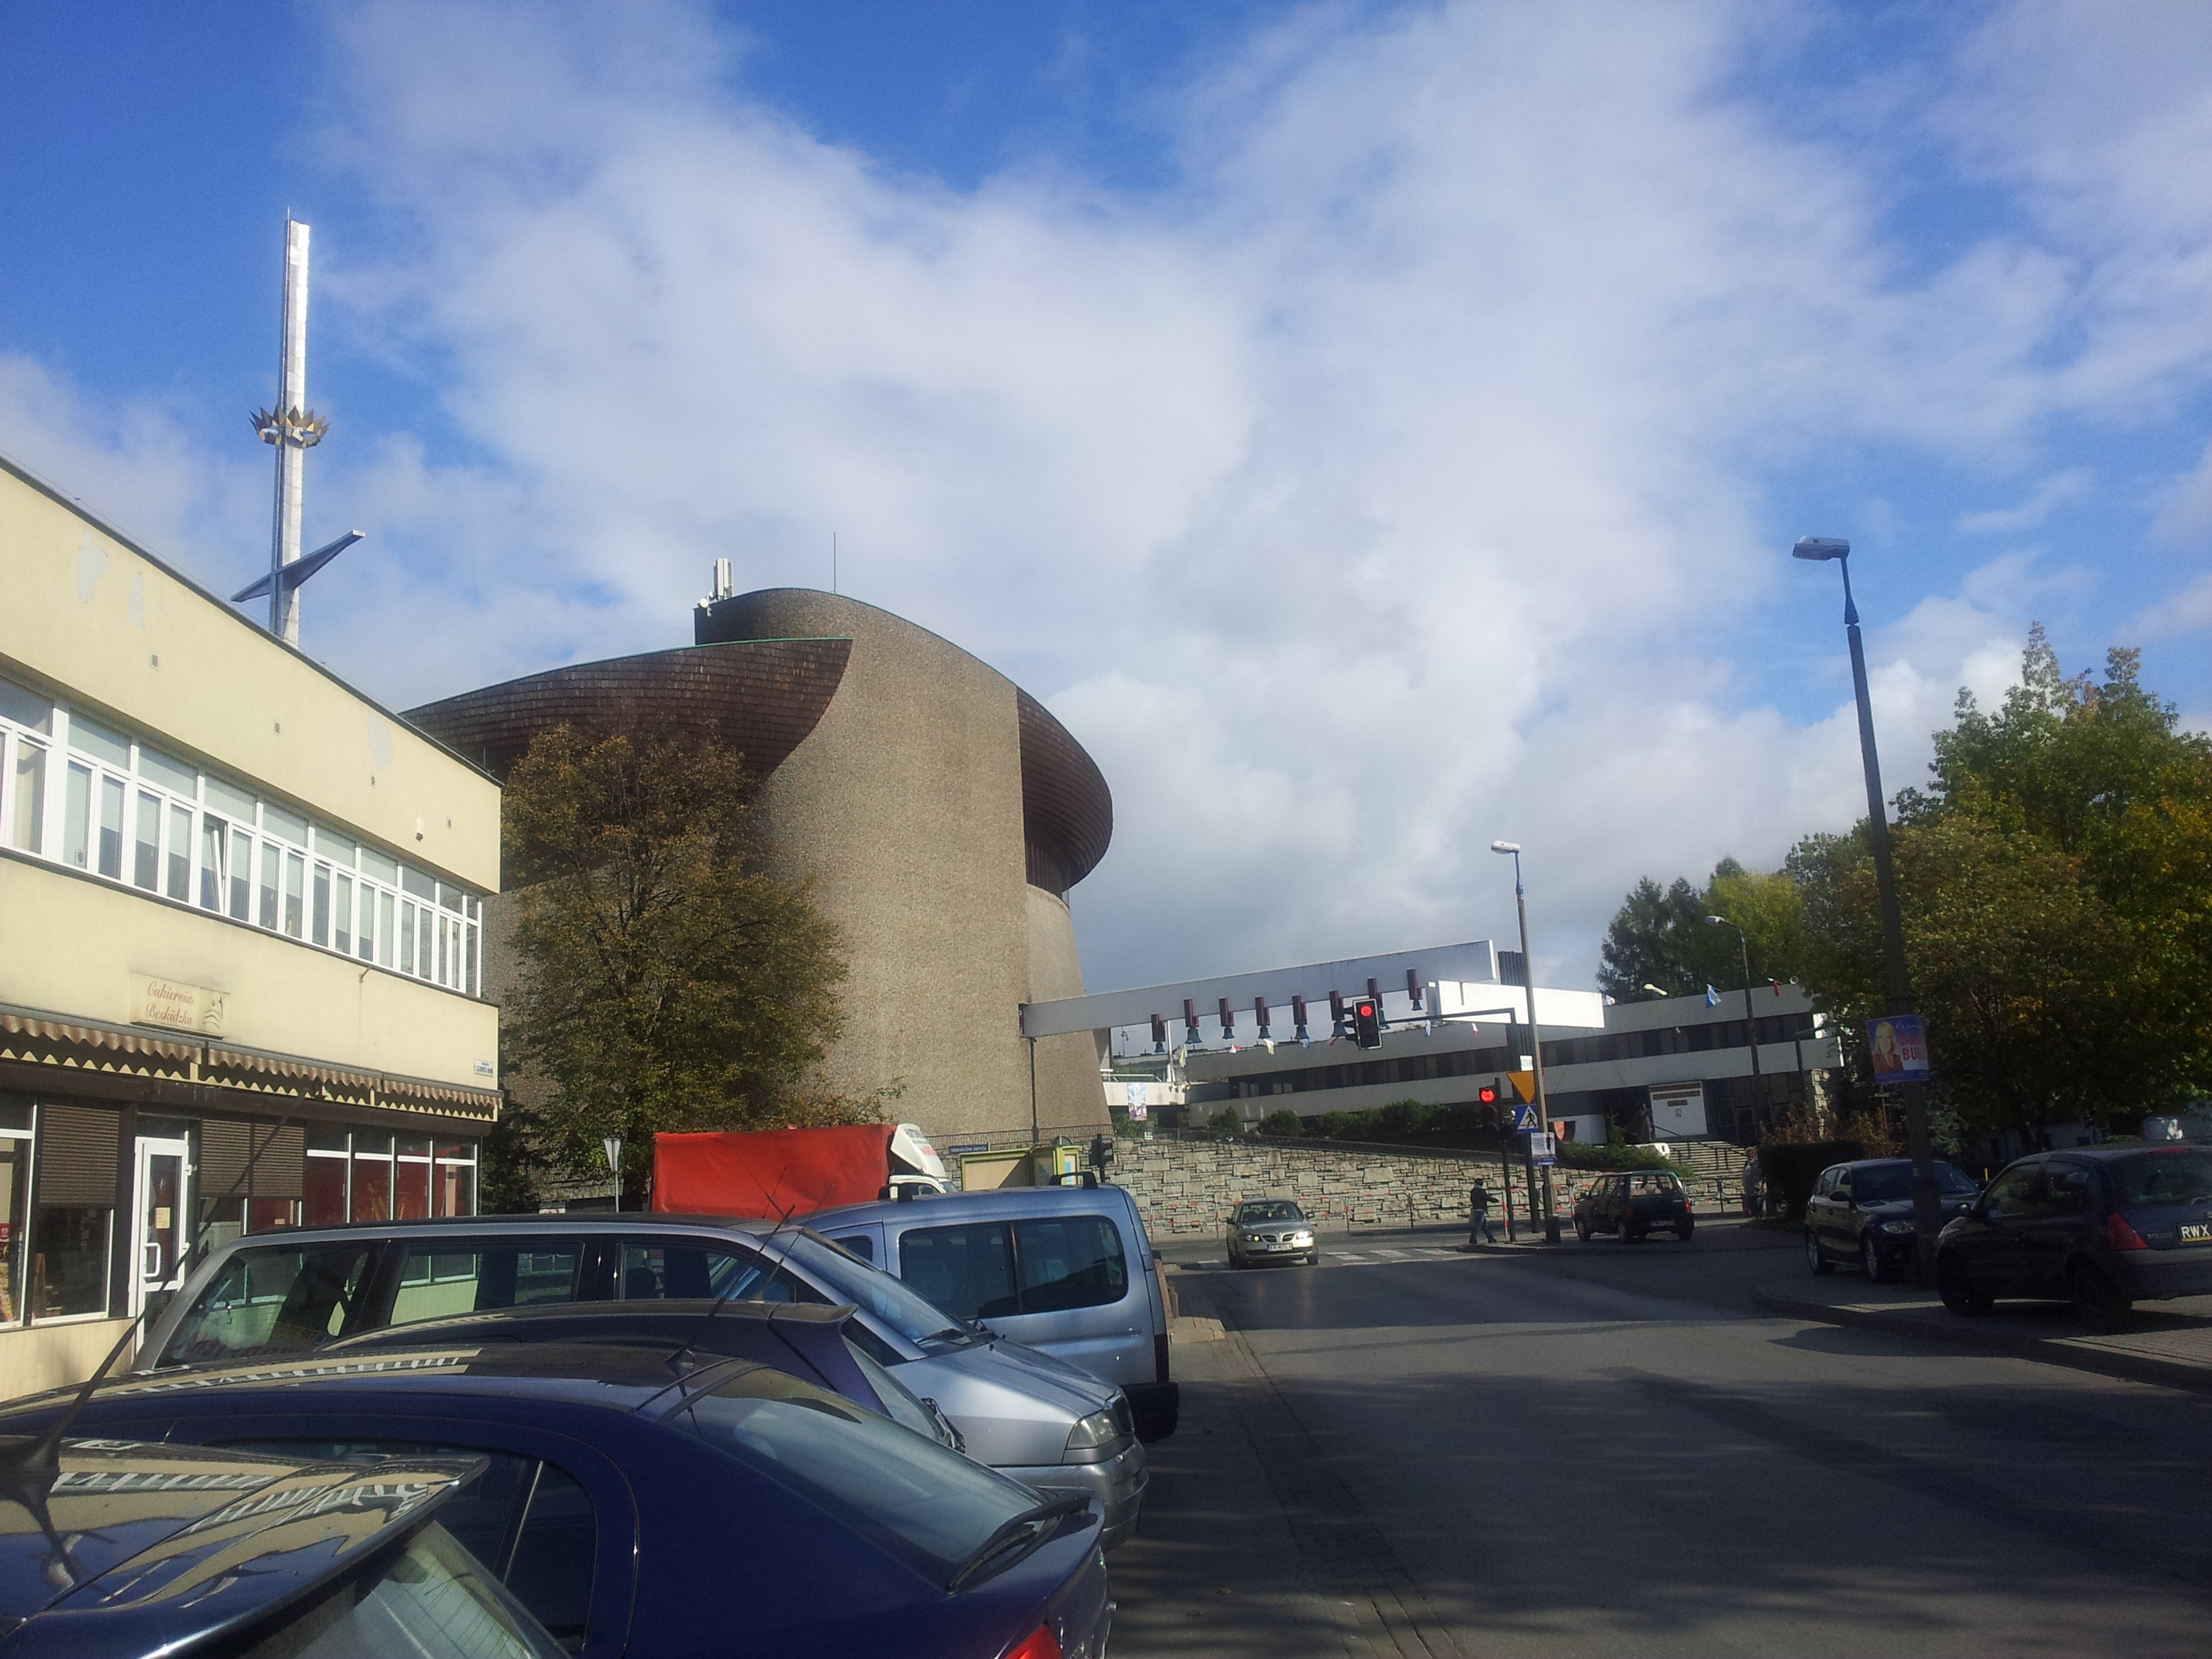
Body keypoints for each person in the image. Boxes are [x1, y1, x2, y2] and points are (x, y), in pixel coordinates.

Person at [1468, 1179, 1496, 1246]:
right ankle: (1472, 1239)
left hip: (1475, 1208)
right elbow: (1486, 1198)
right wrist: (1494, 1200)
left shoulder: (1473, 1191)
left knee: (1485, 1226)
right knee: (1478, 1225)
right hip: (1481, 1209)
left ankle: (1491, 1239)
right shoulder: (1481, 1191)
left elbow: (1472, 1200)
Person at [1740, 1152, 1762, 1218]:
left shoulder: (1757, 1164)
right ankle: (1754, 1214)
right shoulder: (1747, 1163)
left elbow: (1759, 1174)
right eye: (1748, 1155)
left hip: (1756, 1184)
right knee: (1750, 1201)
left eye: (1751, 1155)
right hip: (1748, 1185)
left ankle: (1758, 1215)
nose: (1749, 1157)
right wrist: (1743, 1184)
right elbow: (1745, 1174)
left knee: (1757, 1201)